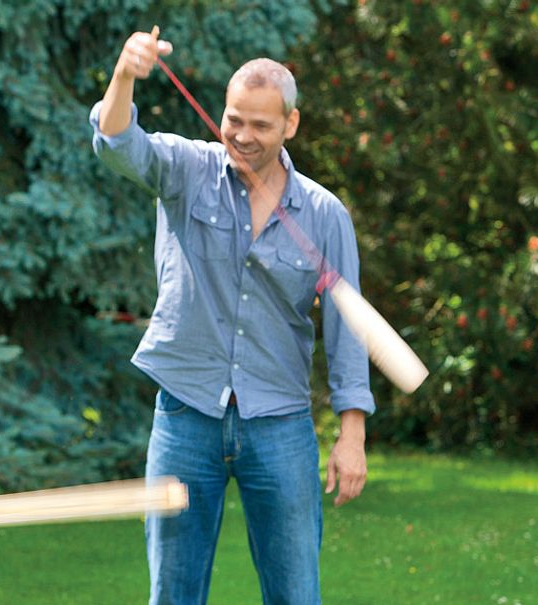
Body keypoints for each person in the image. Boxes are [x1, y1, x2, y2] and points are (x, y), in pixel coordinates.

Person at [89, 27, 375, 605]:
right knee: (173, 592)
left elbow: (349, 331)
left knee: (296, 592)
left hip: (281, 423)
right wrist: (124, 75)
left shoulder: (324, 214)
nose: (242, 136)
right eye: (233, 119)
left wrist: (352, 433)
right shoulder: (186, 171)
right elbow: (118, 143)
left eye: (260, 125)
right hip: (185, 414)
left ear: (290, 125)